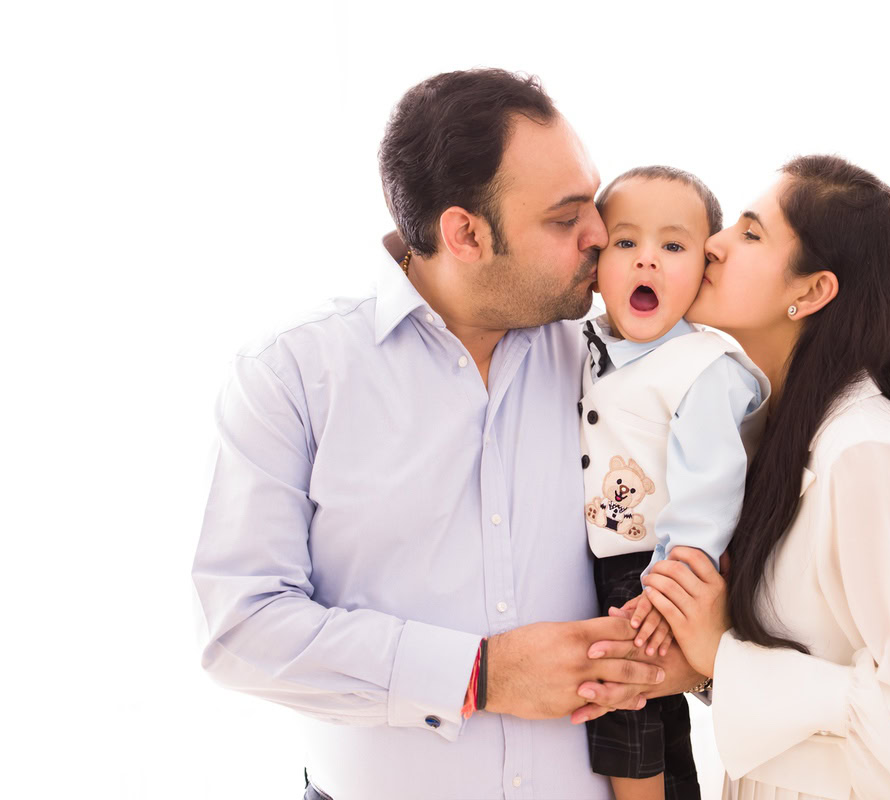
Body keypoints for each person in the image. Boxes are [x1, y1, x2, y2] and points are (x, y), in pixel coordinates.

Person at [190, 68, 706, 800]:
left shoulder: (623, 368)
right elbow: (241, 630)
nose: (601, 235)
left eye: (591, 201)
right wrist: (478, 673)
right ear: (465, 232)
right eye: (565, 219)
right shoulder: (292, 376)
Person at [585, 154, 890, 799]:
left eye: (748, 233)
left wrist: (722, 656)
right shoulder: (762, 426)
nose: (711, 245)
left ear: (811, 291)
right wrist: (695, 664)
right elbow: (802, 665)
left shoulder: (862, 452)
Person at [578, 166, 770, 800]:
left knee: (629, 722)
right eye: (626, 243)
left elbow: (710, 491)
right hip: (596, 561)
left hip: (655, 569)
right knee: (644, 728)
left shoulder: (702, 366)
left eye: (673, 246)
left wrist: (669, 586)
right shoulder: (581, 345)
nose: (647, 262)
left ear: (703, 269)